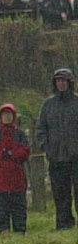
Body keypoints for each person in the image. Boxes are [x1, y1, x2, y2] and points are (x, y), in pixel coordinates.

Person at [36, 67, 78, 228]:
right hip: (57, 157)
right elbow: (41, 128)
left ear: (70, 83)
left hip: (76, 155)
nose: (61, 84)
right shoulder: (48, 104)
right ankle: (64, 223)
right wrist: (46, 147)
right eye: (58, 81)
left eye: (64, 81)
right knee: (60, 193)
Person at [0, 103, 31, 232]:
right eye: (4, 114)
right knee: (1, 210)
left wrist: (12, 153)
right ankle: (4, 234)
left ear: (14, 116)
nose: (7, 117)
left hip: (18, 181)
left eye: (9, 114)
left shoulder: (20, 134)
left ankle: (20, 233)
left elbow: (25, 152)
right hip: (0, 182)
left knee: (19, 210)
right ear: (0, 117)